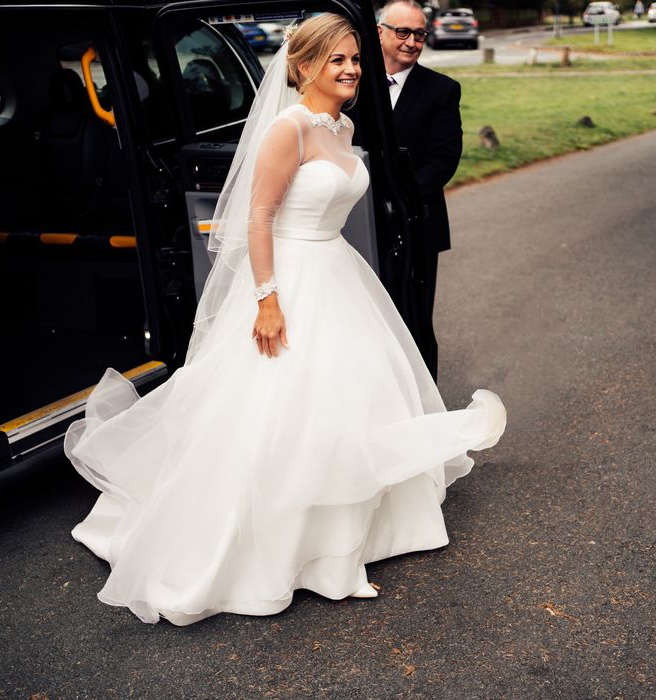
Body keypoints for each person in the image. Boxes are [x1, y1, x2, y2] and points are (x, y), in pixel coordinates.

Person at [64, 13, 505, 626]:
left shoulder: (344, 125)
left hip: (338, 273)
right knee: (275, 407)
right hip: (289, 279)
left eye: (355, 59)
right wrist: (268, 299)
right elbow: (258, 218)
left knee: (346, 402)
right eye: (337, 60)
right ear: (302, 67)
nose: (352, 69)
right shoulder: (287, 129)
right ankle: (277, 544)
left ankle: (343, 547)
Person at [378, 0, 463, 380]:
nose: (412, 42)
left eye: (419, 34)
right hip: (355, 224)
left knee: (414, 319)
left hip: (417, 225)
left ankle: (422, 402)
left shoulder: (441, 90)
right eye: (403, 32)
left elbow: (443, 160)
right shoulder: (352, 82)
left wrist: (400, 197)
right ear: (380, 32)